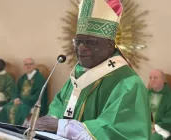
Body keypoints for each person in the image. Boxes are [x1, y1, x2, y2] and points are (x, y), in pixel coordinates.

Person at [27, 0, 152, 139]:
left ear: (110, 45)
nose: (81, 48)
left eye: (91, 42)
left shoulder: (128, 83)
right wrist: (44, 123)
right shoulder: (78, 76)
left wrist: (62, 127)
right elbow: (58, 106)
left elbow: (117, 131)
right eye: (78, 41)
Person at [0, 58, 48, 125]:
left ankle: (16, 130)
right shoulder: (22, 78)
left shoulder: (39, 79)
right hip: (20, 102)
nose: (28, 66)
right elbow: (16, 91)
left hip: (30, 104)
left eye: (30, 64)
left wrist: (22, 100)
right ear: (23, 66)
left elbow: (39, 95)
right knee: (6, 108)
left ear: (34, 66)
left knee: (19, 110)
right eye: (26, 64)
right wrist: (16, 98)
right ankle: (3, 129)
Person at [148, 69, 171, 140]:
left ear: (163, 80)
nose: (152, 80)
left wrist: (154, 127)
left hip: (162, 130)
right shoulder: (146, 94)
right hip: (145, 127)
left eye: (155, 77)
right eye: (150, 78)